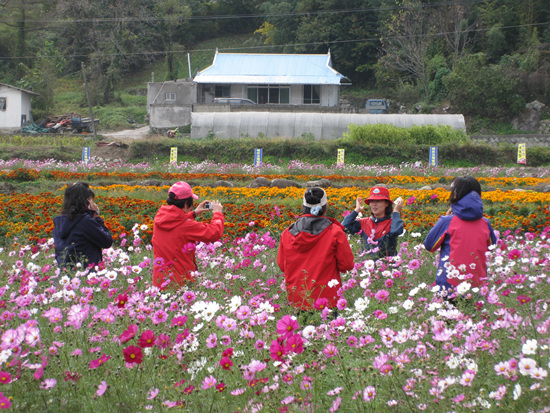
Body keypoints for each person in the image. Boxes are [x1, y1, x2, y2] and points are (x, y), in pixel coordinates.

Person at [277, 187, 354, 311]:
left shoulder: (287, 233)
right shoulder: (334, 232)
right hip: (327, 300)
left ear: (303, 207)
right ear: (326, 207)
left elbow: (282, 266)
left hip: (298, 301)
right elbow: (347, 265)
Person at [424, 176, 497, 291]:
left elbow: (429, 245)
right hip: (477, 286)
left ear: (455, 195)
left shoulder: (447, 221)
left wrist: (443, 220)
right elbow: (492, 247)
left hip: (448, 286)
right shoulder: (485, 223)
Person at [152, 181, 224, 289]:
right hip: (180, 283)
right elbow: (214, 233)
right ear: (186, 203)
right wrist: (217, 214)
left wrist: (193, 213)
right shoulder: (186, 226)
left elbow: (177, 227)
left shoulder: (160, 218)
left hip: (160, 281)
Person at [53, 182, 113, 268]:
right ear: (86, 201)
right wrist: (97, 218)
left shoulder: (59, 222)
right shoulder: (85, 221)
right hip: (86, 273)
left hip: (65, 273)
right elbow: (107, 241)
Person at [342, 186, 404, 259]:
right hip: (366, 267)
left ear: (387, 204)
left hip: (387, 267)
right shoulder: (363, 222)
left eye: (378, 201)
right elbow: (344, 227)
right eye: (372, 201)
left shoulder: (392, 222)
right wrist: (356, 210)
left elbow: (396, 231)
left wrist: (396, 212)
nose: (374, 204)